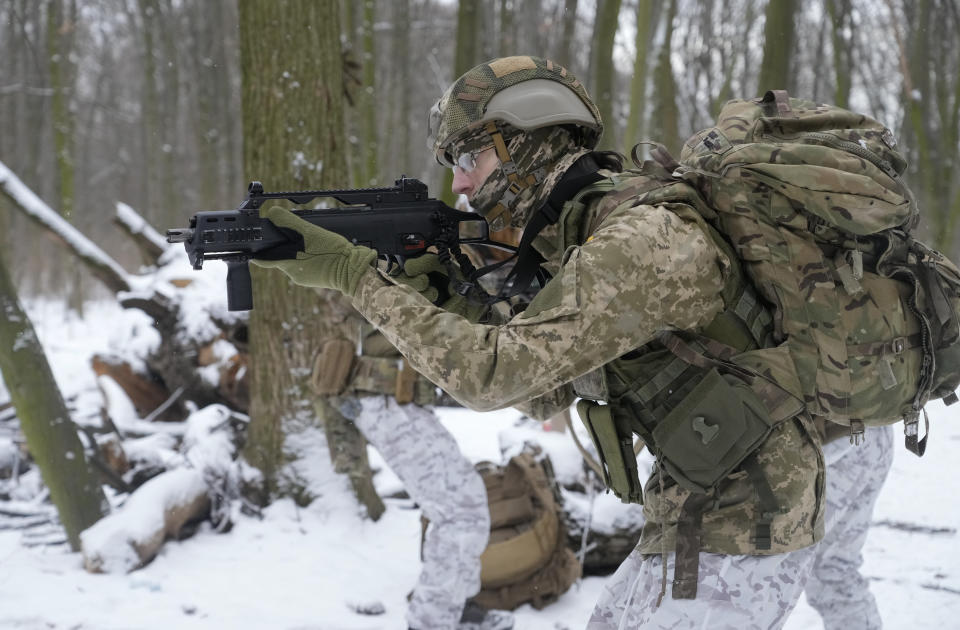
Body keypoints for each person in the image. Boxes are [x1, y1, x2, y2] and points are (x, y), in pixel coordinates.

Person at [252, 56, 896, 629]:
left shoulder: (641, 242)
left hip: (744, 528)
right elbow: (544, 389)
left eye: (469, 159)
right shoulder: (581, 237)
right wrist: (448, 297)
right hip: (694, 513)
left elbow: (495, 378)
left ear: (527, 142)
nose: (461, 187)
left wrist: (352, 275)